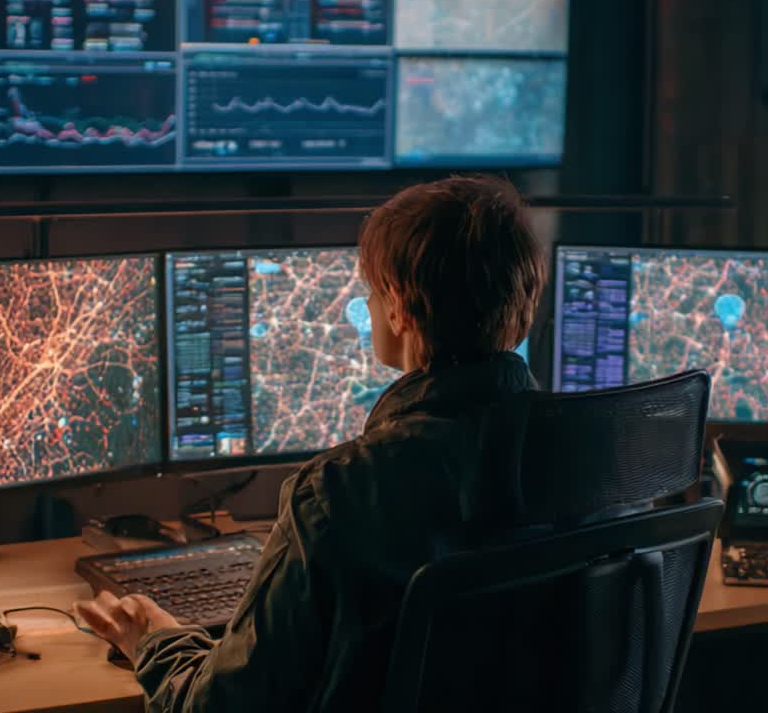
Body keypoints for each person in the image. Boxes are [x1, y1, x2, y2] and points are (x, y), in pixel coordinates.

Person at [75, 175, 549, 712]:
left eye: (372, 293)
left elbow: (222, 706)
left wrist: (154, 640)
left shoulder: (340, 493)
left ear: (399, 309)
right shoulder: (600, 460)